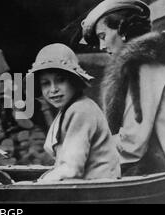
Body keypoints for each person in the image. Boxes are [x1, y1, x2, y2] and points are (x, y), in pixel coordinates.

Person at [82, 0, 165, 176]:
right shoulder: (154, 62)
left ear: (123, 30)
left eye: (103, 36)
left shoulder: (144, 67)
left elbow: (132, 145)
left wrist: (89, 157)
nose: (101, 46)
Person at [27, 43, 120, 182]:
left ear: (73, 80)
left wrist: (37, 183)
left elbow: (71, 169)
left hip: (95, 189)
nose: (53, 89)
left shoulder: (81, 110)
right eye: (46, 83)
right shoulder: (70, 109)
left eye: (60, 80)